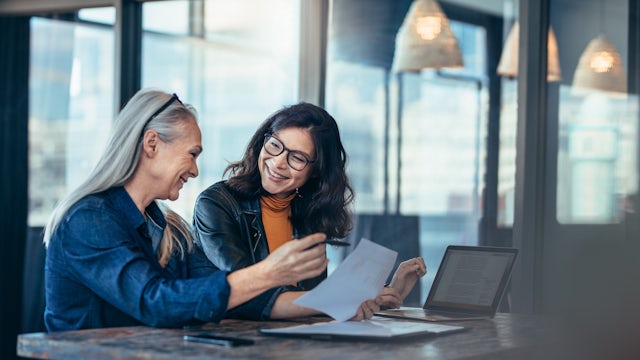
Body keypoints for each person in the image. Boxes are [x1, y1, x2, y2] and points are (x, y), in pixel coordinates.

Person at [43, 89, 332, 332]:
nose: (194, 171)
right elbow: (154, 302)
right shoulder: (88, 220)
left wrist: (336, 304)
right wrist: (268, 273)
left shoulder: (169, 228)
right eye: (192, 154)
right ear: (152, 144)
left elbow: (233, 297)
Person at [193, 102, 426, 320]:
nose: (278, 162)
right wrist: (340, 301)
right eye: (274, 145)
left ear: (315, 171)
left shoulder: (310, 213)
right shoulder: (216, 203)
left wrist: (383, 293)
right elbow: (246, 290)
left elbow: (313, 299)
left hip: (294, 340)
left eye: (297, 157)